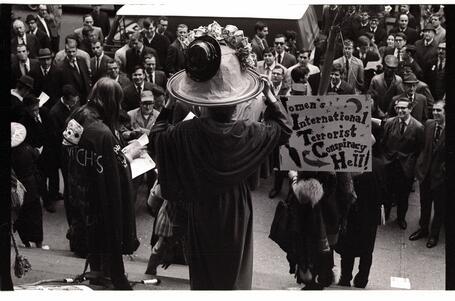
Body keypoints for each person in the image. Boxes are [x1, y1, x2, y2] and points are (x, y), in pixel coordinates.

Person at [149, 34, 292, 289]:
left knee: (203, 271)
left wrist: (169, 106)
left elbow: (157, 137)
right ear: (235, 106)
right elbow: (283, 128)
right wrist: (271, 97)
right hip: (235, 207)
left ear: (204, 105)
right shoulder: (248, 132)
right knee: (233, 272)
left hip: (201, 206)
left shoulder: (187, 132)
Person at [62, 77, 142, 289]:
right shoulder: (102, 133)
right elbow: (118, 168)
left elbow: (68, 149)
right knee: (109, 231)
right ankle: (115, 276)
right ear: (111, 100)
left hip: (79, 188)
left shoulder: (76, 116)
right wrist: (130, 155)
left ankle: (96, 270)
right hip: (101, 195)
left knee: (91, 234)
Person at [335, 135, 385, 288]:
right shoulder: (379, 165)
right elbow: (385, 192)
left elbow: (341, 191)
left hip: (351, 214)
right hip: (370, 216)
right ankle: (362, 280)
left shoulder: (346, 164)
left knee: (347, 250)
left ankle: (345, 278)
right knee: (367, 251)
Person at [381, 98, 424, 230]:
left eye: (403, 108)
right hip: (389, 164)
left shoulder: (418, 127)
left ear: (410, 109)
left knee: (403, 195)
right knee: (387, 192)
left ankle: (400, 218)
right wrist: (386, 158)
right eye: (398, 108)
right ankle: (385, 214)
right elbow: (383, 142)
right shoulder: (389, 123)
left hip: (406, 167)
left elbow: (419, 148)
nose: (400, 110)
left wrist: (411, 163)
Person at [409, 100, 446, 248]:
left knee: (439, 208)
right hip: (425, 174)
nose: (435, 113)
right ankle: (423, 229)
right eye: (434, 110)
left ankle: (434, 235)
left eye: (439, 111)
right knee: (424, 205)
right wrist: (420, 165)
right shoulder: (429, 125)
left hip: (441, 178)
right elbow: (422, 147)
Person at [11, 122, 44, 248]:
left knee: (21, 214)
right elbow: (36, 157)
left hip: (17, 186)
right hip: (31, 184)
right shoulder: (28, 150)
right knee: (35, 212)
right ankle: (38, 241)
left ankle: (25, 241)